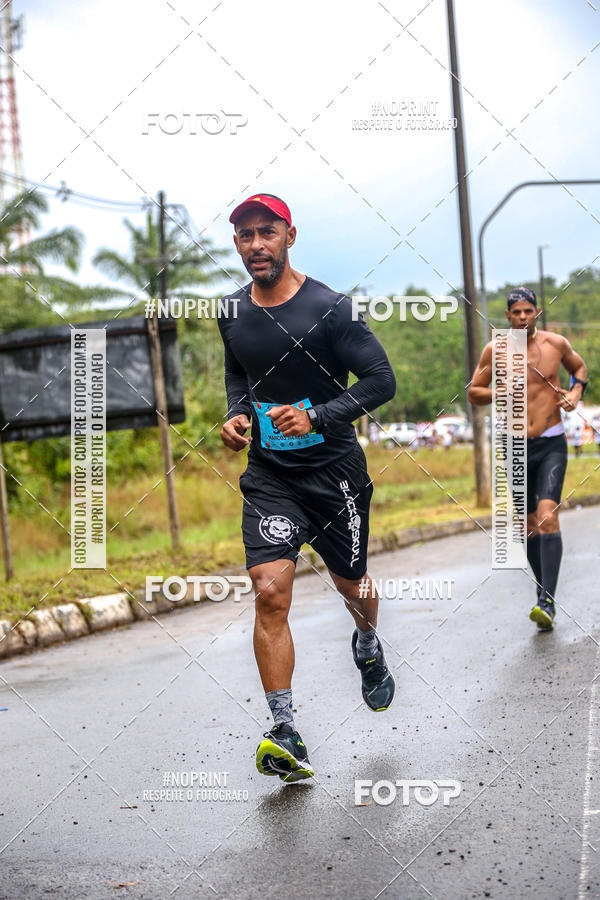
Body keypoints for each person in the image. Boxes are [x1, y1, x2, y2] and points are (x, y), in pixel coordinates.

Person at [218, 193, 397, 782]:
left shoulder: (330, 308)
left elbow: (380, 380)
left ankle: (367, 642)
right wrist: (237, 414)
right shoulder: (231, 311)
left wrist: (318, 416)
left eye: (266, 233)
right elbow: (239, 371)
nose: (255, 245)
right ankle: (286, 731)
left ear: (290, 236)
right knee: (270, 591)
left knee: (353, 583)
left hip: (334, 474)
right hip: (271, 477)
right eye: (245, 236)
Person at [468, 287, 588, 631]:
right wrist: (499, 391)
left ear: (537, 313)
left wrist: (575, 393)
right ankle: (543, 593)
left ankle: (546, 601)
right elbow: (473, 392)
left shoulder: (556, 345)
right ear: (507, 317)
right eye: (516, 312)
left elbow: (579, 369)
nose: (522, 317)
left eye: (528, 311)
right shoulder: (496, 350)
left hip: (551, 441)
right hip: (514, 445)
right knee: (528, 524)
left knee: (548, 515)